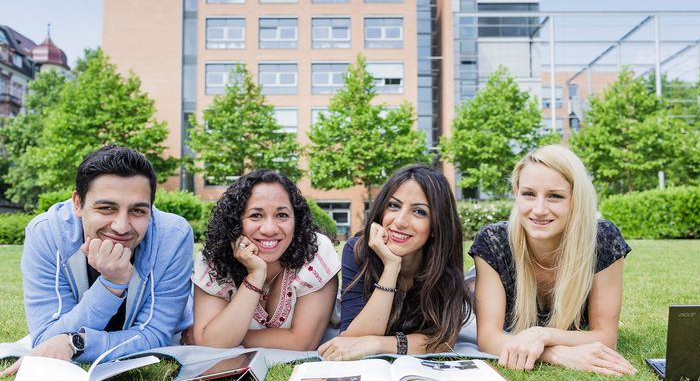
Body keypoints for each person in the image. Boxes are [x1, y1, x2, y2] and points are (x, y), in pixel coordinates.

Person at [1, 145, 194, 376]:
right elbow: (46, 339)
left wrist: (74, 343)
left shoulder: (174, 236)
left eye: (138, 211)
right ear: (77, 204)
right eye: (106, 208)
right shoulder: (47, 233)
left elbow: (154, 335)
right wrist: (112, 284)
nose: (121, 226)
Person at [471, 144, 637, 375]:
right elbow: (488, 339)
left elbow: (606, 338)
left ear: (576, 200)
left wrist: (542, 334)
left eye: (555, 196)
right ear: (516, 193)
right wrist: (554, 353)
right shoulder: (492, 241)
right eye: (528, 194)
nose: (539, 209)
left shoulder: (602, 239)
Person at [318, 165, 471, 360]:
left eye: (419, 212)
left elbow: (443, 339)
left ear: (436, 225)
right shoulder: (357, 251)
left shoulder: (442, 261)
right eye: (394, 206)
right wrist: (391, 267)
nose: (400, 221)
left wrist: (378, 344)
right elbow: (351, 339)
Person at [190, 170, 339, 350]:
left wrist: (225, 336)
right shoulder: (214, 260)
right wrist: (255, 275)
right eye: (256, 215)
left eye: (282, 215)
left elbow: (303, 343)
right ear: (236, 221)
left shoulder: (315, 251)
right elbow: (210, 344)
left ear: (296, 220)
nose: (270, 229)